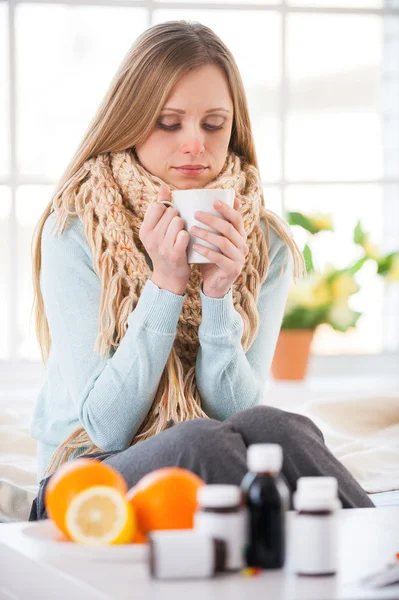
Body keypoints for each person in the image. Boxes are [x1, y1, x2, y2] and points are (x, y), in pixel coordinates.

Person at [28, 20, 374, 521]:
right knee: (201, 441)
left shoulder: (265, 243)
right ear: (130, 119)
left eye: (214, 124)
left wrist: (217, 296)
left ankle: (381, 561)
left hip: (206, 457)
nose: (195, 144)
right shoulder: (76, 228)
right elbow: (107, 427)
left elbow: (240, 416)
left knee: (284, 429)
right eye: (169, 123)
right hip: (83, 482)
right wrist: (166, 286)